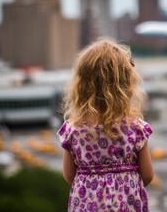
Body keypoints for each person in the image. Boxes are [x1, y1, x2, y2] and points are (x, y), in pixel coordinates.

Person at [57, 37, 154, 212]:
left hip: (86, 203)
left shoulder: (73, 129)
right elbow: (147, 175)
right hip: (127, 203)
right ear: (125, 84)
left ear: (82, 85)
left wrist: (92, 183)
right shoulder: (136, 128)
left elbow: (69, 175)